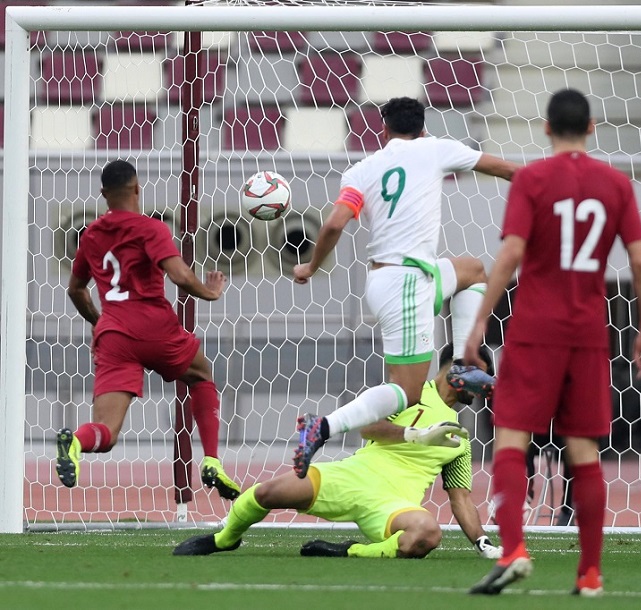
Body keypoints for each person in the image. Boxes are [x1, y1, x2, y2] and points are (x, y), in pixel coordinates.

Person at [463, 88, 641, 596]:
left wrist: (481, 319)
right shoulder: (616, 184)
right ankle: (590, 574)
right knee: (584, 450)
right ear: (591, 128)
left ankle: (514, 550)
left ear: (546, 128)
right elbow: (640, 263)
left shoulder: (532, 179)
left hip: (534, 331)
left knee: (510, 438)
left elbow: (509, 254)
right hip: (589, 334)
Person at [290, 96, 519, 477]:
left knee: (473, 271)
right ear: (423, 127)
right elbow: (504, 168)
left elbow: (333, 225)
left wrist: (311, 266)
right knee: (407, 392)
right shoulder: (436, 148)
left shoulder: (363, 169)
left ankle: (462, 365)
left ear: (384, 129)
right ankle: (323, 427)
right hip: (407, 286)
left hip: (391, 279)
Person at [173, 344, 503, 561]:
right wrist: (416, 435)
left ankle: (350, 552)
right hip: (352, 476)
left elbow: (461, 499)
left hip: (393, 504)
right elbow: (368, 427)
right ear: (457, 367)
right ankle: (224, 539)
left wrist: (481, 542)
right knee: (268, 492)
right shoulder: (409, 393)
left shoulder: (459, 439)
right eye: (481, 372)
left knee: (426, 534)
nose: (485, 383)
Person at [56, 159, 241, 501]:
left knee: (107, 433)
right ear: (137, 188)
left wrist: (103, 324)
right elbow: (179, 275)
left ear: (103, 194)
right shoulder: (150, 228)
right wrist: (211, 292)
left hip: (114, 335)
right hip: (155, 326)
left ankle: (77, 442)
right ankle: (212, 460)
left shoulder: (91, 234)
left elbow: (75, 290)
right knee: (201, 375)